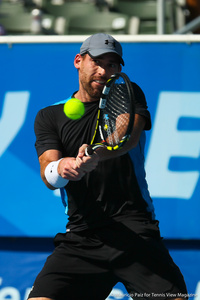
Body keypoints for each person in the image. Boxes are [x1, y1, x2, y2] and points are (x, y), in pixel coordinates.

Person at [28, 33, 187, 300]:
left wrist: (96, 153)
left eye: (112, 64)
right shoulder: (49, 116)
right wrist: (62, 168)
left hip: (134, 229)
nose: (104, 71)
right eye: (98, 62)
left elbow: (125, 136)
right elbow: (48, 171)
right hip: (81, 234)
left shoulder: (127, 91)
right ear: (79, 61)